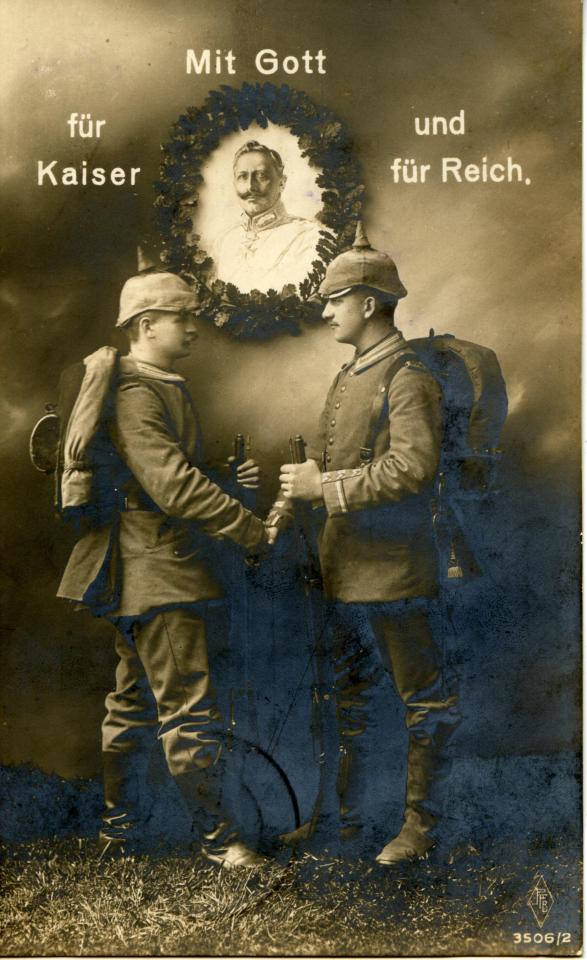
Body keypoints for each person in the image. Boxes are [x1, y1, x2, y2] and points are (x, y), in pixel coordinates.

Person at [57, 271, 271, 868]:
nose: (193, 327)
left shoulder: (153, 384)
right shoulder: (135, 390)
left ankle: (119, 835)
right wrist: (250, 527)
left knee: (130, 704)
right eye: (182, 316)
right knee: (188, 709)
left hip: (140, 565)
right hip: (156, 570)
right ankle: (221, 841)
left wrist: (225, 478)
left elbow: (163, 475)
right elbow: (173, 487)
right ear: (147, 325)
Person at [266, 225, 460, 865]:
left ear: (369, 304)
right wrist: (306, 490)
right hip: (345, 568)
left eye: (334, 299)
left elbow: (413, 467)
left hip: (397, 570)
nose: (324, 311)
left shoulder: (407, 377)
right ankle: (348, 823)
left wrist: (327, 486)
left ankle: (420, 829)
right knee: (351, 696)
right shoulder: (353, 372)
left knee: (422, 698)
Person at [210, 140, 324, 294]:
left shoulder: (308, 236)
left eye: (261, 176)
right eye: (242, 176)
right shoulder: (224, 242)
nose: (250, 186)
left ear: (282, 183)